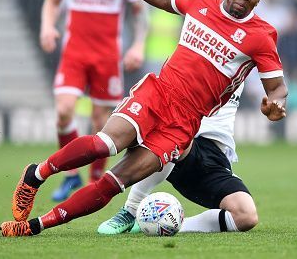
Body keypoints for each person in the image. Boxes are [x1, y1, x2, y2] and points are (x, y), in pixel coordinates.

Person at [0, 0, 288, 237]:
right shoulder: (202, 2)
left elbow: (277, 88)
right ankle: (35, 175)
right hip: (158, 94)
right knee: (104, 145)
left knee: (114, 182)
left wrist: (275, 106)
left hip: (183, 125)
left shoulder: (260, 36)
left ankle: (33, 226)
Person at [40, 0, 147, 201]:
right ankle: (71, 174)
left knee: (101, 121)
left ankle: (94, 178)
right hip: (74, 54)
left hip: (107, 58)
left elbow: (140, 11)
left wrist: (138, 45)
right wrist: (47, 27)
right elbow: (52, 2)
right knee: (64, 111)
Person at [97, 83, 260, 234]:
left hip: (215, 158)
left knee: (246, 216)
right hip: (182, 142)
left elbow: (273, 83)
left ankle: (166, 223)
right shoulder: (199, 55)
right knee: (178, 139)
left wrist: (275, 101)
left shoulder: (247, 59)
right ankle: (130, 211)